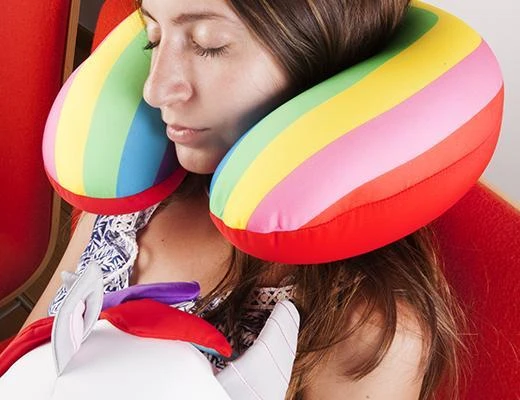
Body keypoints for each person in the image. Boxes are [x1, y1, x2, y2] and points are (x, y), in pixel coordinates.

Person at [23, 0, 466, 398]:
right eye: (152, 39)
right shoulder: (132, 198)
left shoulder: (367, 329)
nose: (155, 89)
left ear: (325, 62)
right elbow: (25, 357)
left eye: (208, 45)